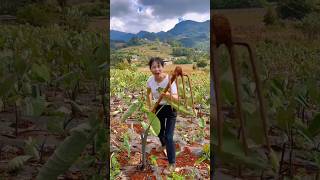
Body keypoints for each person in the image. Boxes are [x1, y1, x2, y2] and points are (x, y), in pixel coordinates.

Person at [146, 57, 178, 173]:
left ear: (162, 67)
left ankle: (172, 162)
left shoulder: (170, 79)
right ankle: (164, 145)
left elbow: (176, 98)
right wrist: (150, 106)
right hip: (158, 108)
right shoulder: (150, 80)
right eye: (154, 67)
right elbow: (148, 93)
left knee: (169, 136)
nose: (156, 69)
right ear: (150, 69)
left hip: (170, 108)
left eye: (159, 66)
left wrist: (166, 94)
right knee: (159, 131)